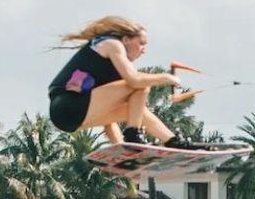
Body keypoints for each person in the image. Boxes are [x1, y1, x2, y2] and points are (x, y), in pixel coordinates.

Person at [47, 16, 210, 149]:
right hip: (67, 104)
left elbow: (108, 122)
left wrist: (120, 148)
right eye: (141, 43)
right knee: (140, 85)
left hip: (69, 119)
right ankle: (133, 135)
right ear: (125, 39)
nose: (144, 49)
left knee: (136, 111)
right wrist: (166, 77)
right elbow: (135, 80)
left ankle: (173, 142)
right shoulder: (111, 44)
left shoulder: (116, 69)